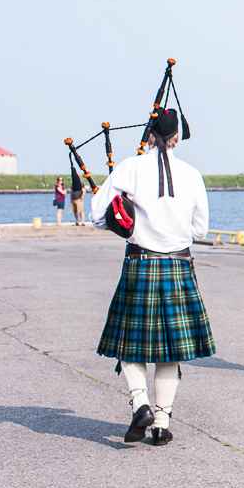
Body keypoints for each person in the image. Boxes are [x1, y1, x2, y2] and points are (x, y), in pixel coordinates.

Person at [93, 105, 214, 447]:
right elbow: (200, 230)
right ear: (177, 137)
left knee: (129, 344)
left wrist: (128, 219)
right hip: (178, 266)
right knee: (169, 349)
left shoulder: (129, 167)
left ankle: (139, 402)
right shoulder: (192, 174)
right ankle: (161, 422)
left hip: (140, 263)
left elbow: (98, 216)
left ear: (148, 136)